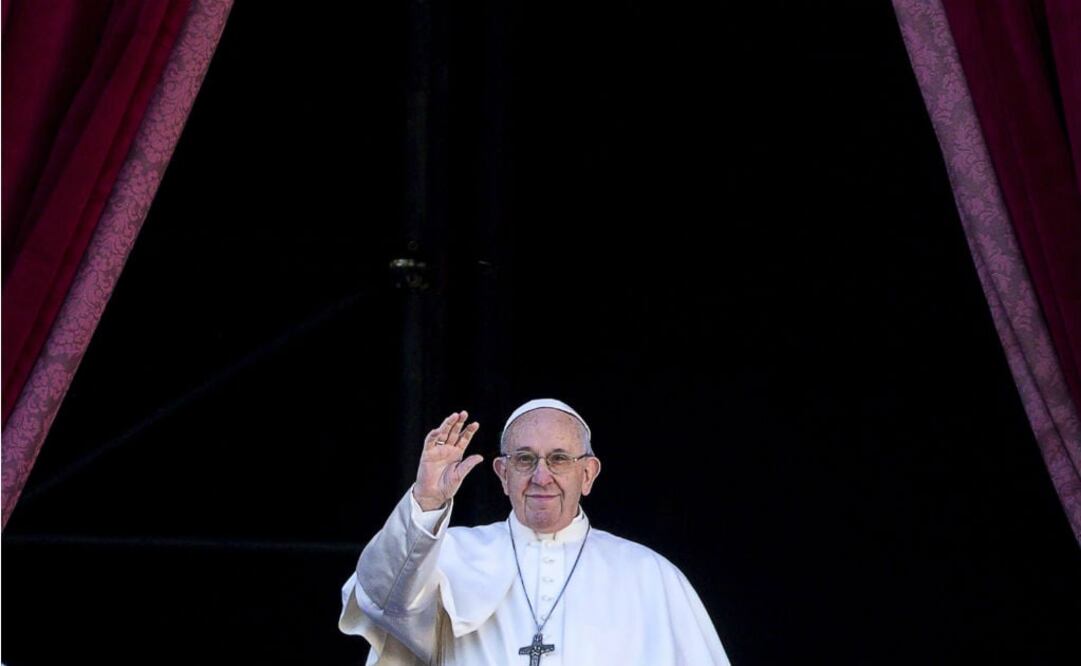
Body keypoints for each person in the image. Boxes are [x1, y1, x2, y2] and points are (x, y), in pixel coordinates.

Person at [339, 398, 730, 665]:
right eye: (525, 459)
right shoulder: (448, 555)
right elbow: (380, 599)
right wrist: (426, 500)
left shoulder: (649, 575)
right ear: (503, 474)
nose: (541, 477)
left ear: (588, 474)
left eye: (559, 459)